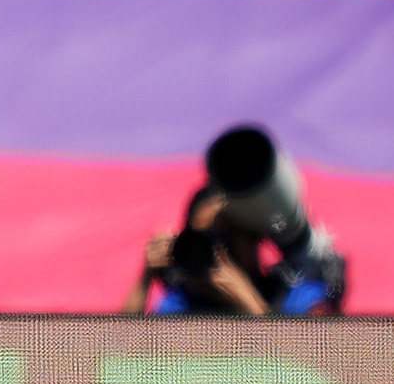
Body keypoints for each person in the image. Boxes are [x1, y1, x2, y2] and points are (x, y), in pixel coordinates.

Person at [139, 124, 353, 317]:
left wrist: (248, 301)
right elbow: (120, 352)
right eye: (205, 242)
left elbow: (320, 356)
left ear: (255, 238)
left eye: (225, 240)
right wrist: (145, 278)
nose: (218, 255)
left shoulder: (294, 297)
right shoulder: (181, 306)